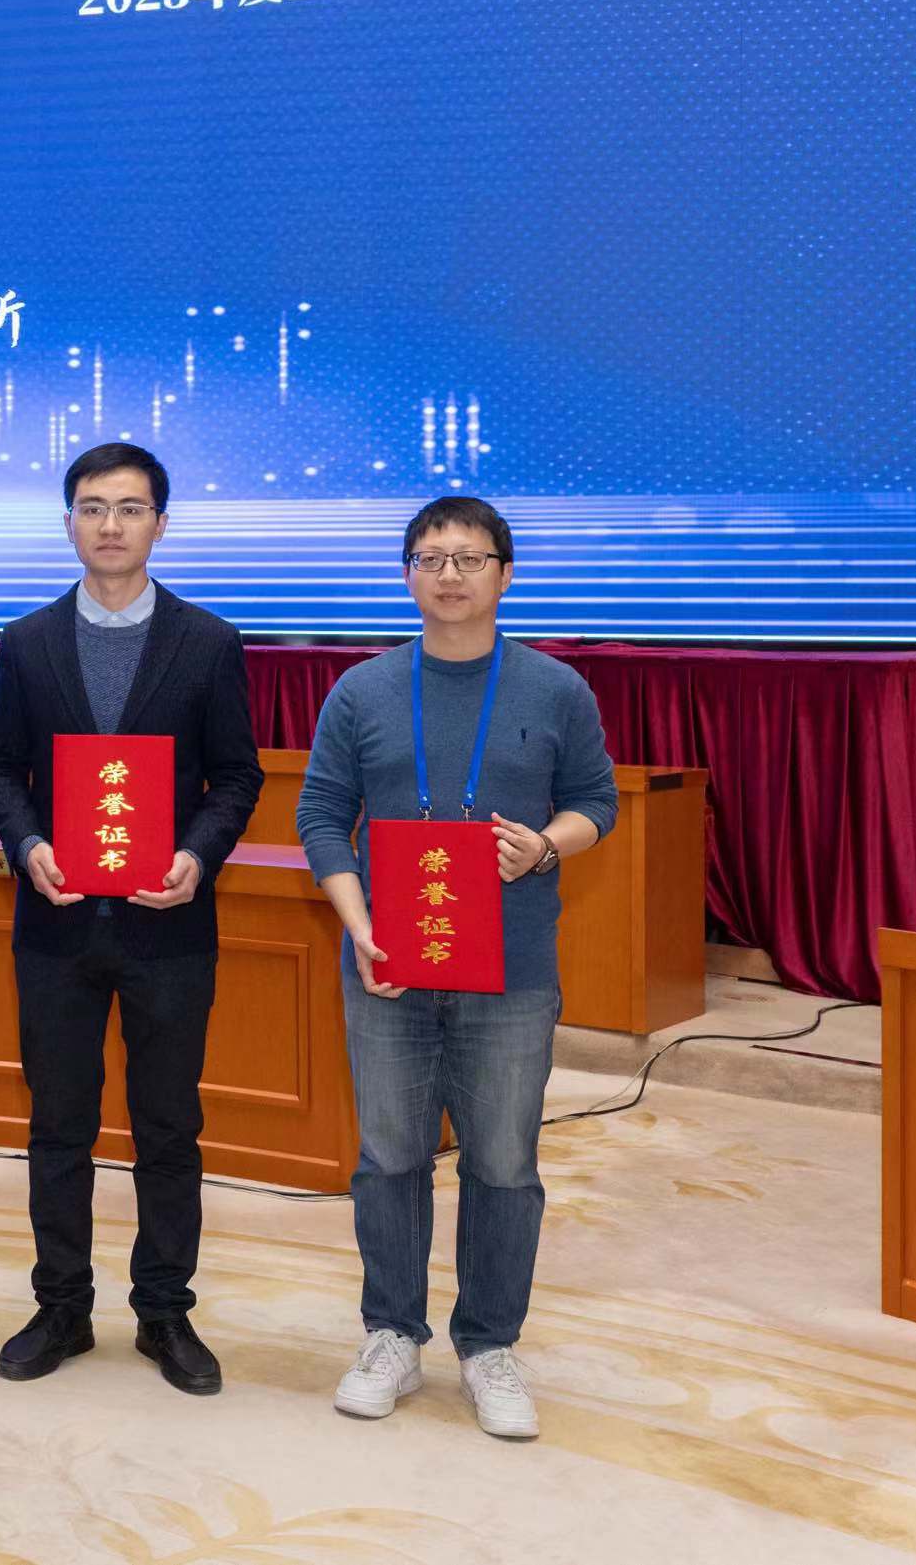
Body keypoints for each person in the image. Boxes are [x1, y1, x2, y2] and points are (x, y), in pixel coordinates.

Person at [295, 496, 616, 1442]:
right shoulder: (363, 689)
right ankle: (391, 1333)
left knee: (504, 1162)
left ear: (504, 574)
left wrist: (545, 845)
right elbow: (322, 815)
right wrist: (360, 927)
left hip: (511, 967)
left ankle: (490, 1344)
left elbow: (596, 801)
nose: (449, 574)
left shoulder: (556, 688)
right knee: (390, 1155)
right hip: (388, 963)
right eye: (430, 558)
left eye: (470, 558)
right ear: (407, 575)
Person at [0, 442, 263, 1396]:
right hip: (56, 923)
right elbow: (0, 767)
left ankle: (164, 1310)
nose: (110, 524)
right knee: (59, 1124)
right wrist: (28, 844)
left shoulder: (208, 641)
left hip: (167, 926)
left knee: (167, 1125)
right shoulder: (27, 640)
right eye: (93, 507)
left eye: (130, 508)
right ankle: (61, 1303)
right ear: (68, 523)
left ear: (160, 524)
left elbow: (237, 776)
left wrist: (197, 856)